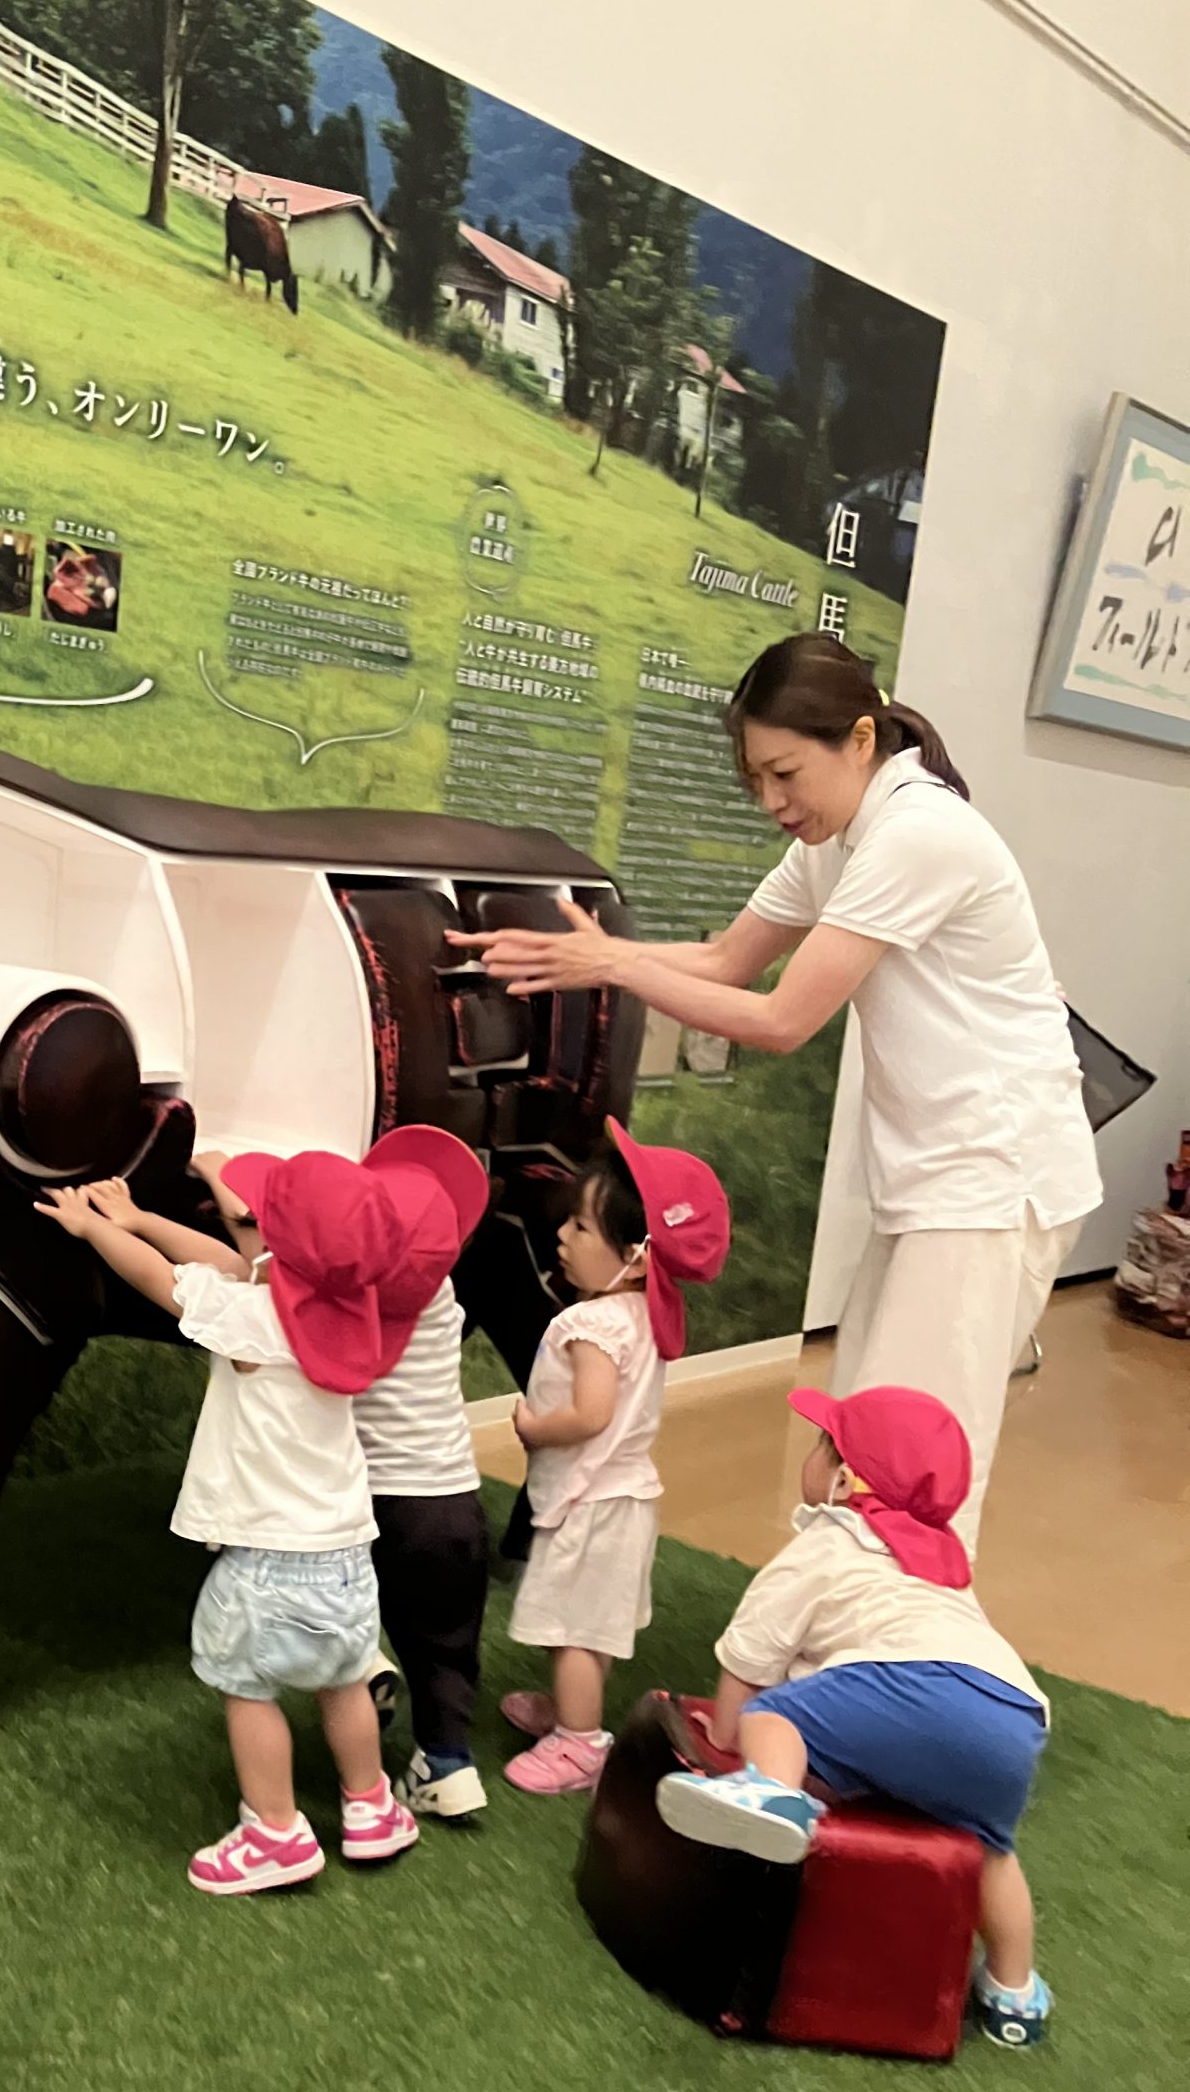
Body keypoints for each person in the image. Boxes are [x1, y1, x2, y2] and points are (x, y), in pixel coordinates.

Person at [450, 634, 1099, 1551]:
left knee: (915, 1464)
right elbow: (727, 960)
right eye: (756, 779)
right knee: (862, 1433)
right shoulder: (838, 836)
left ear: (861, 740)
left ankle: (892, 1638)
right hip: (938, 1176)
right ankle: (831, 1631)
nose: (772, 802)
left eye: (785, 773)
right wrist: (589, 957)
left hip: (995, 1177)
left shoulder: (919, 833)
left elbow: (781, 1018)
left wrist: (613, 965)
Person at [39, 1142, 471, 1895]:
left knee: (248, 1687)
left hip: (269, 1561)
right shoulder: (357, 1311)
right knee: (343, 1680)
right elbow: (233, 1263)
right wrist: (141, 1217)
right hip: (346, 1553)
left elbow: (162, 1279)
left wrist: (94, 1228)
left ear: (280, 1245)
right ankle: (371, 1807)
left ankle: (275, 1832)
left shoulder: (252, 1320)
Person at [656, 1385, 1053, 2049]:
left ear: (843, 1481)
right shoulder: (943, 1562)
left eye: (822, 1446)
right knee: (989, 1848)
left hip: (909, 1682)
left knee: (775, 1715)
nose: (810, 1457)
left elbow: (752, 1652)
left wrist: (726, 1734)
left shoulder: (830, 1541)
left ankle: (771, 1793)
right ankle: (1015, 1992)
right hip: (1013, 1712)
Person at [201, 1133, 496, 1823]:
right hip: (451, 1500)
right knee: (445, 1636)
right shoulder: (440, 1292)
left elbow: (258, 1252)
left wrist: (216, 1168)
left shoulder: (341, 1298)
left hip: (365, 1504)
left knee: (342, 1610)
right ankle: (447, 1762)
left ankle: (364, 1670)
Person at [503, 1125, 729, 1796]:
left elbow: (590, 1413)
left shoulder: (590, 1324)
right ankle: (573, 1711)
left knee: (571, 1628)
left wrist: (534, 1427)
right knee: (587, 1622)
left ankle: (579, 1744)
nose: (562, 1236)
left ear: (633, 1257)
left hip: (589, 1501)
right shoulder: (642, 1313)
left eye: (580, 1226)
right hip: (620, 1497)